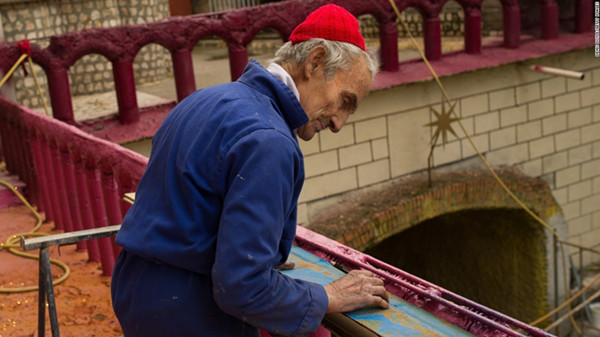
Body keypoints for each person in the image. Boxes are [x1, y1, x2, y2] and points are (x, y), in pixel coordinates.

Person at [111, 4, 389, 337]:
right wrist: (327, 296)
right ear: (314, 62)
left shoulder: (203, 100)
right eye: (345, 101)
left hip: (137, 292)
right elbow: (243, 287)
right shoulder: (270, 141)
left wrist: (259, 252)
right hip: (190, 313)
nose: (339, 123)